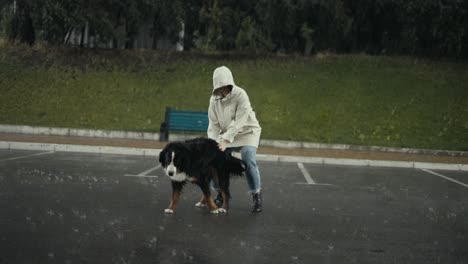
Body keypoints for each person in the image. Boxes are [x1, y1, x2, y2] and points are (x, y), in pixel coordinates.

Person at [207, 66, 263, 213]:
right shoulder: (213, 100)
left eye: (223, 86)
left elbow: (240, 121)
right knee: (215, 159)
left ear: (228, 83)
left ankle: (256, 194)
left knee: (248, 157)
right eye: (218, 86)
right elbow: (213, 125)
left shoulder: (241, 95)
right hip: (227, 135)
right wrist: (212, 144)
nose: (221, 89)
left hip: (247, 131)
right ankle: (220, 192)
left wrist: (225, 140)